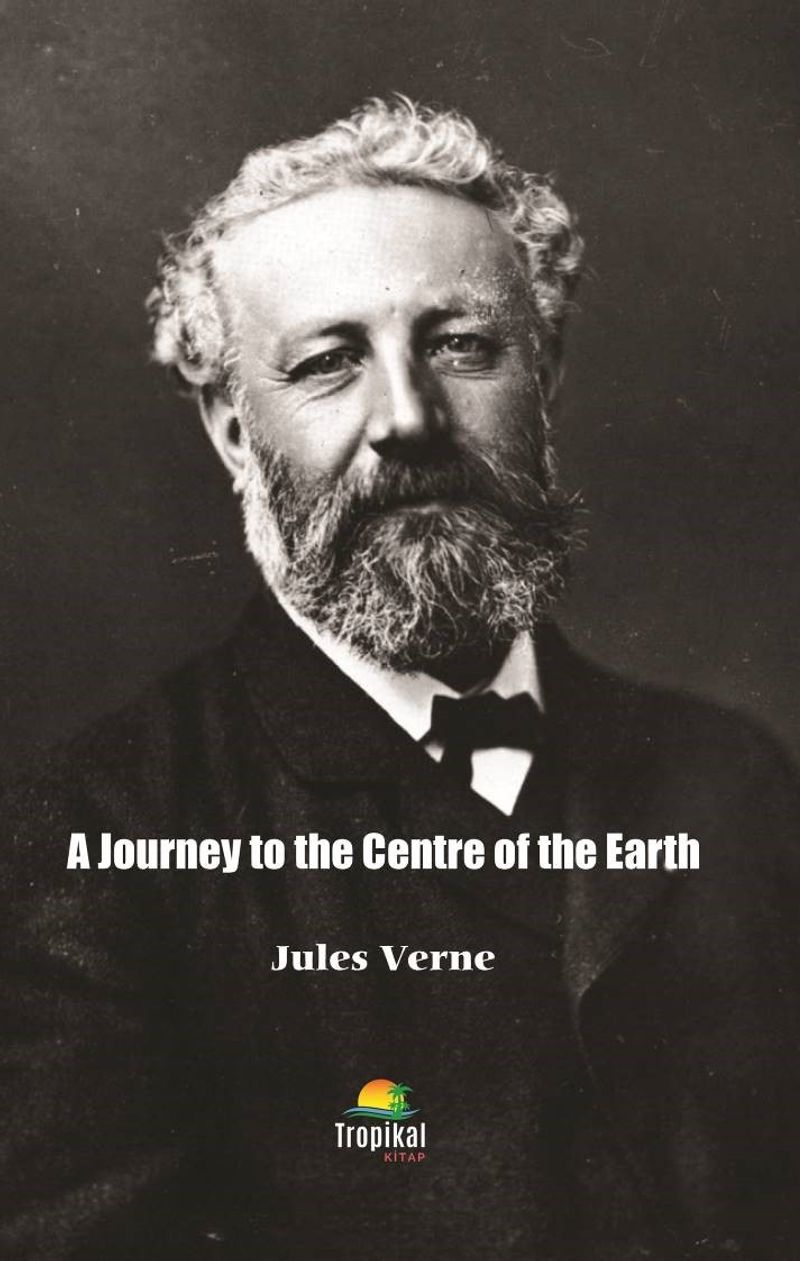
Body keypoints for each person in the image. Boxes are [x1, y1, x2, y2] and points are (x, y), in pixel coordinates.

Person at [2, 96, 798, 1260]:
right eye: (329, 364)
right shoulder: (92, 838)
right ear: (233, 430)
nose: (410, 420)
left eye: (461, 345)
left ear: (546, 374)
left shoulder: (730, 779)